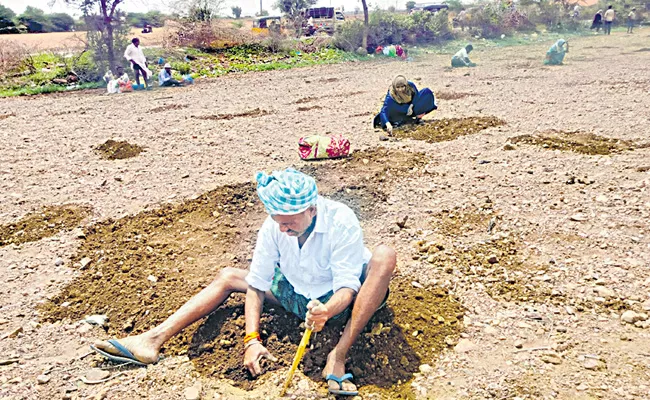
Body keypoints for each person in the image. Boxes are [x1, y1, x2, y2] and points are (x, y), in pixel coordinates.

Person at [90, 168, 396, 396]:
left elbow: (346, 286)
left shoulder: (341, 220)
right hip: (296, 294)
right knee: (229, 276)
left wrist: (327, 311)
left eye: (290, 220)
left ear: (313, 209)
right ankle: (151, 340)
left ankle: (338, 356)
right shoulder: (275, 225)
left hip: (343, 302)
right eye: (278, 219)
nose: (283, 227)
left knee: (384, 256)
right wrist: (252, 341)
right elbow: (257, 282)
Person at [372, 75, 437, 136]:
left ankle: (418, 117)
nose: (400, 89)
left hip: (411, 107)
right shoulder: (391, 96)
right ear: (394, 87)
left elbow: (416, 96)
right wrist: (388, 124)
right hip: (400, 109)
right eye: (398, 87)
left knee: (426, 92)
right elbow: (384, 111)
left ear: (406, 85)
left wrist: (412, 105)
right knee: (391, 109)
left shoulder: (410, 86)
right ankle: (406, 119)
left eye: (402, 87)